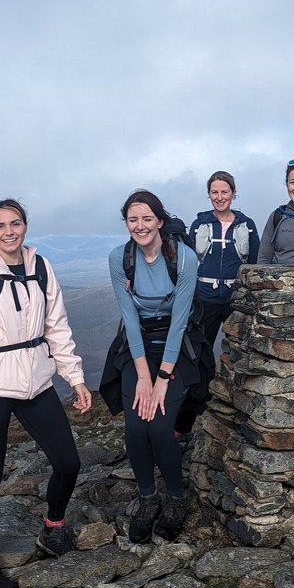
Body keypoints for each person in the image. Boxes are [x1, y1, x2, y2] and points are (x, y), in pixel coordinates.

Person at [0, 198, 92, 588]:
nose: (9, 231)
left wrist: (75, 378)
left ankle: (53, 528)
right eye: (0, 226)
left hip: (36, 384)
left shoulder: (41, 268)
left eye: (16, 223)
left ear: (26, 225)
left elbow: (56, 327)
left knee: (69, 462)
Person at [103, 189, 199, 543]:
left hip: (176, 349)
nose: (140, 226)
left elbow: (179, 321)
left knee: (159, 430)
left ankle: (175, 499)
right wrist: (143, 375)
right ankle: (147, 499)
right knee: (135, 429)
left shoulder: (184, 258)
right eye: (132, 219)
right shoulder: (119, 258)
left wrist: (161, 379)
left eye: (147, 219)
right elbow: (129, 319)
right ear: (126, 224)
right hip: (137, 348)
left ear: (160, 221)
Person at [179, 171, 259, 437]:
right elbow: (188, 262)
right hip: (206, 298)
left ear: (234, 194)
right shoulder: (199, 225)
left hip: (237, 298)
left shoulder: (246, 225)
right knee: (199, 356)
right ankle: (190, 416)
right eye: (215, 192)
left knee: (244, 353)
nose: (220, 197)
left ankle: (240, 408)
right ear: (209, 194)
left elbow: (256, 262)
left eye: (225, 192)